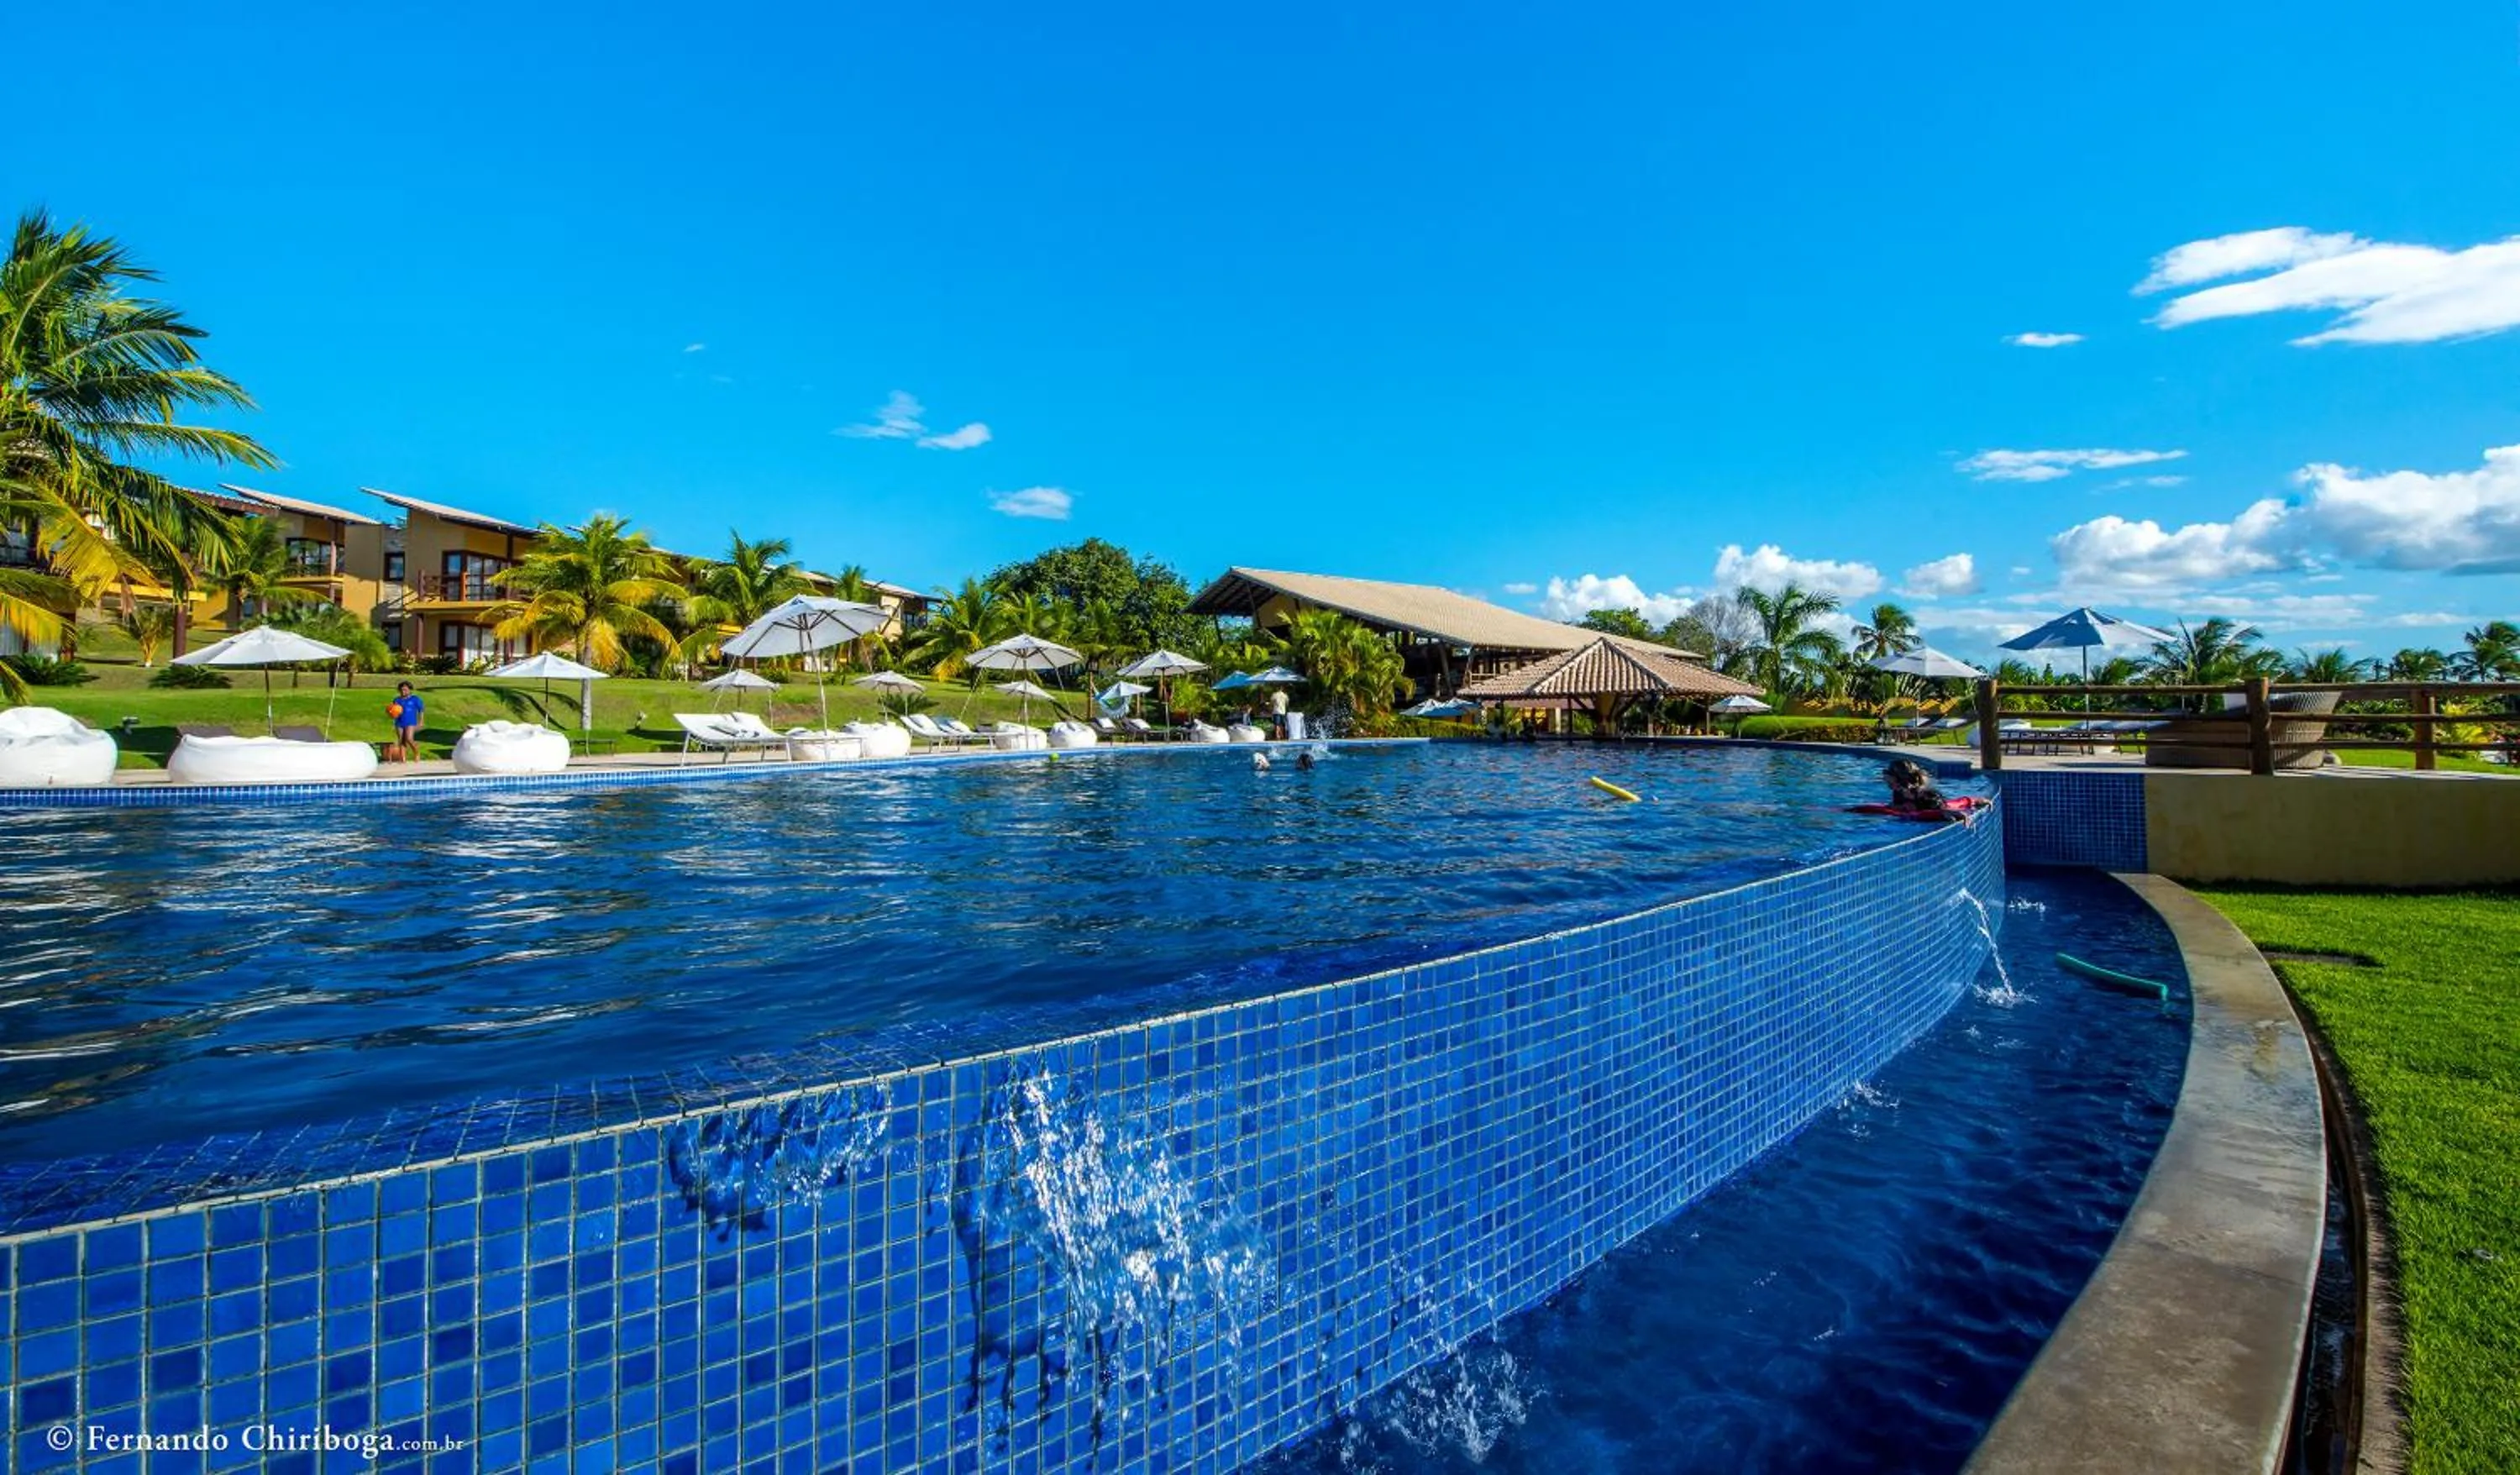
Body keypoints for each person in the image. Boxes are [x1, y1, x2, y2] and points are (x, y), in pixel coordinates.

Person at [1882, 758, 1950, 818]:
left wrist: (1916, 807)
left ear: (1901, 780)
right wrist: (1901, 806)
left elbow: (1941, 809)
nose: (1885, 780)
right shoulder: (1898, 792)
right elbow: (1896, 805)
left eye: (1890, 781)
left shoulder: (1926, 795)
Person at [388, 681, 424, 763]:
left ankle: (416, 753)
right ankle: (403, 759)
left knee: (409, 738)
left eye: (405, 690)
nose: (403, 692)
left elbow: (421, 710)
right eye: (401, 690)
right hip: (399, 722)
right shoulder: (397, 700)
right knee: (401, 740)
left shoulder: (415, 699)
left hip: (411, 722)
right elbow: (393, 711)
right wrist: (392, 717)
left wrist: (421, 721)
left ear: (410, 690)